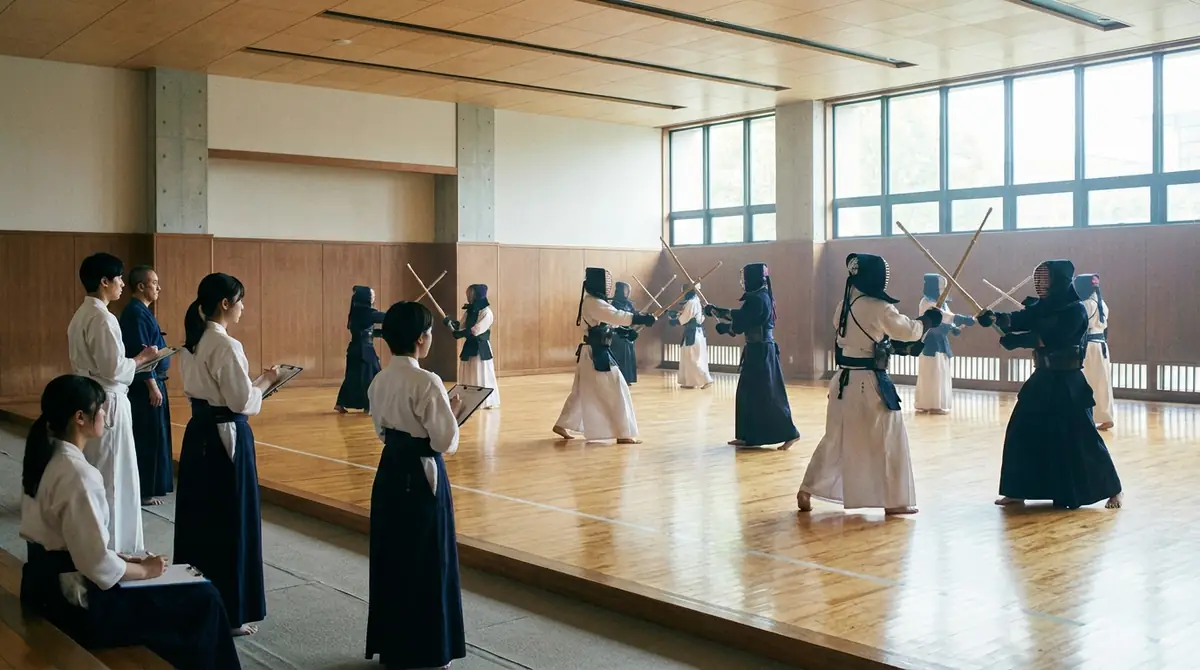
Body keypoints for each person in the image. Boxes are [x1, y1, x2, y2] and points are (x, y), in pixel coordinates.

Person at [20, 374, 242, 670]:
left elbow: (70, 546)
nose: (104, 413)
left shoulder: (45, 458)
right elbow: (98, 569)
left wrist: (122, 559)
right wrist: (144, 569)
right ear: (80, 418)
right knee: (205, 598)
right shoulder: (78, 475)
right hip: (72, 603)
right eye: (100, 408)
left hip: (41, 585)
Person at [797, 254, 945, 515]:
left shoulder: (844, 305)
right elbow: (909, 330)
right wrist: (930, 320)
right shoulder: (879, 307)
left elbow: (869, 339)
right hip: (870, 384)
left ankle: (807, 489)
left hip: (842, 382)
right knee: (887, 438)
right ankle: (895, 501)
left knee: (834, 438)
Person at [174, 273, 278, 637]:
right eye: (240, 301)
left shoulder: (192, 342)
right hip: (226, 437)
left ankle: (195, 603)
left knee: (199, 520)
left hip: (199, 433)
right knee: (231, 521)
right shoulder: (226, 345)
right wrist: (265, 383)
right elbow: (241, 401)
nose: (243, 307)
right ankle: (231, 612)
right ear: (224, 304)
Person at [366, 301, 466, 670]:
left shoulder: (379, 379)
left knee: (393, 554)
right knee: (428, 556)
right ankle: (429, 649)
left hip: (391, 469)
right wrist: (453, 414)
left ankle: (394, 647)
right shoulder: (428, 381)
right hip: (423, 473)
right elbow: (443, 442)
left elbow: (382, 432)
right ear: (422, 339)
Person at [977, 260, 1123, 509]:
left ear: (1060, 281)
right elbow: (1020, 318)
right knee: (1021, 430)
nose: (1042, 285)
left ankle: (1113, 489)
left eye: (1047, 280)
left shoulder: (1075, 310)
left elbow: (1052, 337)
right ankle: (1017, 489)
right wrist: (997, 318)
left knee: (1083, 436)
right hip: (1043, 378)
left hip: (1068, 381)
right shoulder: (1043, 306)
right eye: (1040, 279)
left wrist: (1019, 341)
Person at [67, 252, 159, 554]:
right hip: (108, 400)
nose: (122, 284)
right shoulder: (102, 318)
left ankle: (102, 546)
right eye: (118, 279)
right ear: (104, 281)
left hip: (94, 396)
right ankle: (113, 548)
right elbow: (114, 368)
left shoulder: (82, 314)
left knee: (102, 472)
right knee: (113, 477)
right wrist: (144, 359)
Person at [553, 268, 656, 444]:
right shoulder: (593, 303)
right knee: (617, 388)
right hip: (595, 354)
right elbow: (616, 315)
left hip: (592, 352)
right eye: (606, 282)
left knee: (580, 392)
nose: (609, 286)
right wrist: (640, 319)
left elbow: (607, 322)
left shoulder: (594, 302)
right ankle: (624, 433)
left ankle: (562, 424)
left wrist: (624, 332)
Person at [704, 263, 799, 449]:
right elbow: (743, 318)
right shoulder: (759, 296)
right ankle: (748, 436)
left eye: (746, 278)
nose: (743, 282)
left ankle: (790, 433)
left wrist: (723, 321)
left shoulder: (760, 299)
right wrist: (719, 314)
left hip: (762, 352)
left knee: (767, 395)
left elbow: (743, 319)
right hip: (756, 350)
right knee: (747, 393)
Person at [119, 265, 173, 505]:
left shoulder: (142, 311)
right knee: (148, 436)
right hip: (146, 386)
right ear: (141, 286)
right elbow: (139, 352)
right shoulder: (135, 314)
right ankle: (143, 490)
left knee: (156, 435)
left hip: (154, 382)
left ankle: (149, 488)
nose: (158, 287)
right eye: (154, 283)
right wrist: (151, 384)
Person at [914, 273, 975, 415]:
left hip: (941, 342)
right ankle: (929, 404)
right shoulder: (926, 302)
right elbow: (942, 316)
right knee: (931, 372)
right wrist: (962, 319)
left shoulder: (943, 303)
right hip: (930, 342)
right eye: (941, 287)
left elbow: (947, 319)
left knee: (941, 372)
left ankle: (937, 404)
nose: (943, 290)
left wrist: (953, 328)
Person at [444, 284, 500, 409]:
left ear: (477, 295)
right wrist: (450, 323)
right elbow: (461, 326)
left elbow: (475, 331)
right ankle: (467, 399)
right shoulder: (469, 311)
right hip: (469, 346)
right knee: (469, 372)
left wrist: (459, 333)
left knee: (481, 373)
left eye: (471, 294)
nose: (469, 296)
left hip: (480, 348)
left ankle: (486, 401)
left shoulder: (487, 313)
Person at [335, 285, 386, 414]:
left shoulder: (358, 312)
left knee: (353, 377)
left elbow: (368, 331)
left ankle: (341, 403)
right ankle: (369, 405)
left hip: (357, 349)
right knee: (371, 377)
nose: (374, 297)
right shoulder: (364, 312)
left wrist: (382, 332)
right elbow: (384, 317)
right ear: (365, 298)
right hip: (363, 351)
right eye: (372, 295)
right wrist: (398, 313)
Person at [1075, 273, 1114, 431]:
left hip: (1089, 347)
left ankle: (1085, 416)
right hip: (1101, 346)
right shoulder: (1102, 304)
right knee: (1102, 382)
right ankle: (1105, 417)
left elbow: (1079, 326)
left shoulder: (1085, 305)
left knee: (1087, 382)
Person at [667, 284, 712, 390]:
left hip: (693, 333)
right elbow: (689, 315)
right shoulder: (696, 302)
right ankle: (691, 382)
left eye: (683, 291)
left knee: (692, 358)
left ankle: (706, 379)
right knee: (690, 357)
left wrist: (674, 321)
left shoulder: (692, 303)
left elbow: (685, 318)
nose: (682, 294)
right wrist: (676, 314)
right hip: (696, 332)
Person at [608, 282, 639, 385]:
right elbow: (618, 318)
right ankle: (620, 378)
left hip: (628, 334)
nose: (628, 293)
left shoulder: (628, 303)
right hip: (618, 335)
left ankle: (628, 378)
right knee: (620, 356)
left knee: (629, 356)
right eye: (627, 290)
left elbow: (634, 315)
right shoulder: (615, 304)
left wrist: (640, 316)